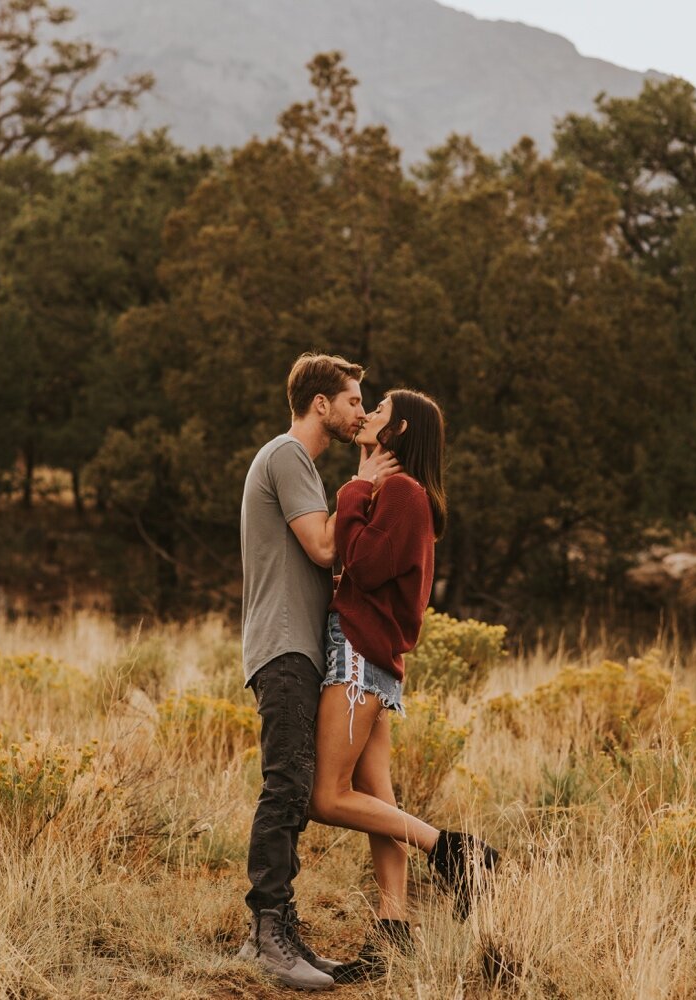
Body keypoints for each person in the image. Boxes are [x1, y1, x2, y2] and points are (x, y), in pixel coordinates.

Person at [309, 388, 501, 985]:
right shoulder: (401, 494)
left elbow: (361, 565)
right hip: (372, 658)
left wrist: (353, 488)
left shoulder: (401, 492)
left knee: (326, 796)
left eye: (379, 411)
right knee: (379, 807)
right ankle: (394, 929)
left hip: (359, 656)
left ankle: (459, 853)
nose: (365, 415)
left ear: (399, 433)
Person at [236, 352, 395, 992]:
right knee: (287, 786)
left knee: (295, 784)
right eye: (354, 400)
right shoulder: (286, 455)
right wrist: (360, 483)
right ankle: (266, 933)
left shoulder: (299, 467)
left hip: (300, 646)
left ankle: (278, 931)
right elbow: (325, 548)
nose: (361, 410)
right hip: (283, 648)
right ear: (321, 404)